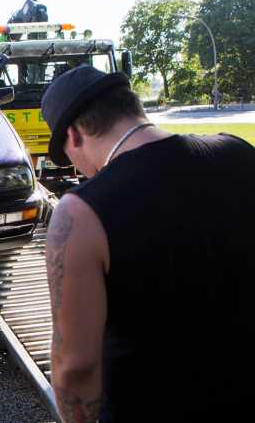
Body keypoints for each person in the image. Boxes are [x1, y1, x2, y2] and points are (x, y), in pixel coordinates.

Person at [41, 65, 255, 422]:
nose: (79, 170)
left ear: (74, 135)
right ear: (132, 106)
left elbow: (75, 366)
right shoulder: (240, 155)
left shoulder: (80, 213)